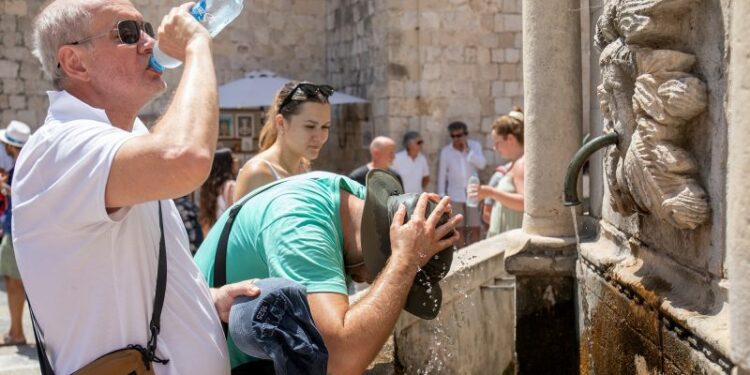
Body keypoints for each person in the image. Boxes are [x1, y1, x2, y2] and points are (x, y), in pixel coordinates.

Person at [14, 1, 259, 373]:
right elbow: (185, 158)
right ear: (76, 62)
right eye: (127, 33)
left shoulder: (127, 139)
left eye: (145, 28)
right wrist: (196, 46)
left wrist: (203, 299)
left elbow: (125, 280)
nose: (149, 41)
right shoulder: (58, 146)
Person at [194, 170, 462, 374]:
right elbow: (339, 359)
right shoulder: (301, 227)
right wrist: (403, 261)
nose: (370, 282)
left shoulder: (352, 203)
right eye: (377, 274)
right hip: (204, 360)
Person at [234, 81, 332, 201]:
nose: (320, 137)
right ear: (281, 123)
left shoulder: (303, 167)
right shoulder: (257, 174)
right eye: (310, 126)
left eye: (325, 127)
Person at [469, 108, 525, 237]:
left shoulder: (521, 164)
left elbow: (525, 203)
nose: (495, 148)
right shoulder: (514, 164)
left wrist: (491, 192)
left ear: (510, 139)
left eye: (497, 143)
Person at [0, 120, 30, 346]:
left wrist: (6, 189)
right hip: (20, 230)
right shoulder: (26, 165)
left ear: (12, 146)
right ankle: (15, 330)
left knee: (14, 283)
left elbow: (22, 198)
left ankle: (17, 332)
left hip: (17, 230)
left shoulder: (20, 168)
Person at [437, 121, 487, 246]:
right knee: (458, 228)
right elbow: (442, 175)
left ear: (465, 135)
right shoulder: (446, 151)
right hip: (454, 193)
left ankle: (476, 255)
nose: (456, 139)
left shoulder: (475, 146)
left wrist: (468, 151)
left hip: (473, 192)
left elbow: (482, 164)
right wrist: (442, 197)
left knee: (475, 226)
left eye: (458, 135)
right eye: (453, 136)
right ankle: (461, 255)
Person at [200, 148, 236, 235]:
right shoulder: (231, 186)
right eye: (233, 159)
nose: (236, 161)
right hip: (227, 239)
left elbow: (205, 223)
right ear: (227, 164)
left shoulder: (207, 188)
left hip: (213, 238)